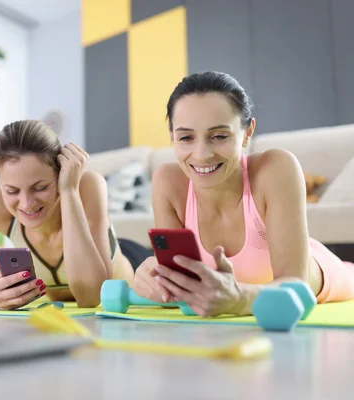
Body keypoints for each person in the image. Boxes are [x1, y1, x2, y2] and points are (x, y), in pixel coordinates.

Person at [133, 71, 354, 317]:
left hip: (323, 272)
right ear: (172, 137)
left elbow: (296, 291)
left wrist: (237, 298)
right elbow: (179, 285)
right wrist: (153, 279)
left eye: (219, 136)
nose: (202, 154)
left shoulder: (276, 168)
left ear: (247, 133)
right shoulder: (168, 182)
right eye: (186, 137)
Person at [0, 120, 136, 309]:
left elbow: (90, 297)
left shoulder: (86, 186)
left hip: (131, 265)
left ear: (60, 174)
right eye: (12, 191)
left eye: (40, 187)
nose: (27, 203)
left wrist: (69, 191)